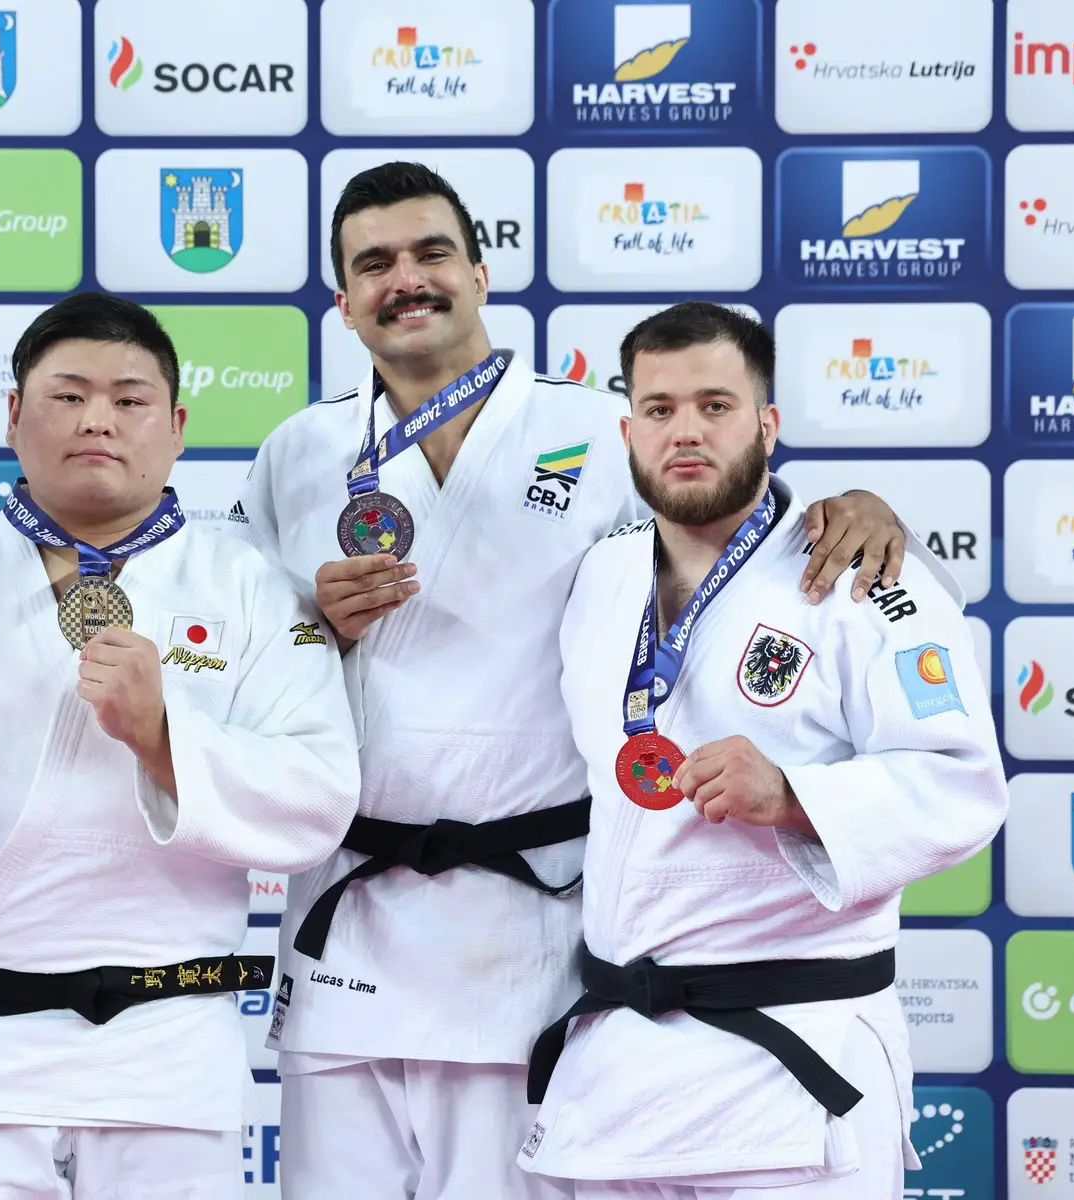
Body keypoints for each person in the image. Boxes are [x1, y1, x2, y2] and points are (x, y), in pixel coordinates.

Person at [232, 162, 910, 1200]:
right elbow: (239, 657)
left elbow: (740, 547)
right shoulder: (298, 451)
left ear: (480, 274)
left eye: (431, 253)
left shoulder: (604, 431)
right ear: (343, 301)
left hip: (532, 923)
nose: (406, 279)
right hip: (346, 918)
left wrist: (857, 505)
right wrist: (309, 626)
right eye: (375, 264)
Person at [0, 293, 360, 1199]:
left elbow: (316, 799)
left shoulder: (252, 586)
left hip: (167, 1041)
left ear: (176, 428)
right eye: (67, 396)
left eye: (129, 400)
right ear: (13, 417)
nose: (97, 419)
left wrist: (162, 738)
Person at [521, 301, 1008, 1197]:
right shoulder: (600, 574)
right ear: (628, 433)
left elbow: (962, 784)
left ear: (768, 424)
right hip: (622, 1064)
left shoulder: (862, 575)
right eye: (660, 409)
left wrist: (791, 795)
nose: (686, 431)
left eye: (716, 405)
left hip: (792, 1057)